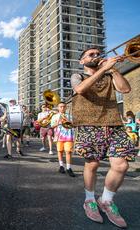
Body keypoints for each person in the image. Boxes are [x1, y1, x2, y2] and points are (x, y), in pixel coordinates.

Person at [71, 47, 135, 228]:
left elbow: (126, 88)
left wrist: (113, 68)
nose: (96, 56)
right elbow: (81, 90)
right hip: (88, 124)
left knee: (122, 164)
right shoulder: (78, 76)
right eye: (91, 54)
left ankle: (106, 200)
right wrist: (103, 70)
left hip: (114, 123)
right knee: (92, 164)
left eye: (98, 53)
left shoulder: (109, 75)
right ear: (82, 61)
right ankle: (89, 200)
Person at [50, 102, 75, 177]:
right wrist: (58, 123)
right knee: (60, 151)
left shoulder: (70, 116)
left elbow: (73, 125)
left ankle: (68, 167)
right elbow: (52, 126)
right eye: (60, 107)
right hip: (59, 135)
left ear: (66, 107)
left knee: (68, 151)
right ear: (58, 108)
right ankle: (61, 166)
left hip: (68, 136)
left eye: (64, 107)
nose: (62, 108)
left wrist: (68, 120)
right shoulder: (54, 116)